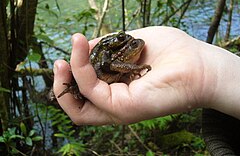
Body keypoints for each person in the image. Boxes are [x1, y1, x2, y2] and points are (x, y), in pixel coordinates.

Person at [53, 26, 240, 125]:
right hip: (94, 76)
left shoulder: (114, 51)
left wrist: (207, 71)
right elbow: (107, 64)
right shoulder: (107, 53)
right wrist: (133, 68)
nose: (133, 43)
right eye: (126, 43)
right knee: (73, 81)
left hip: (104, 75)